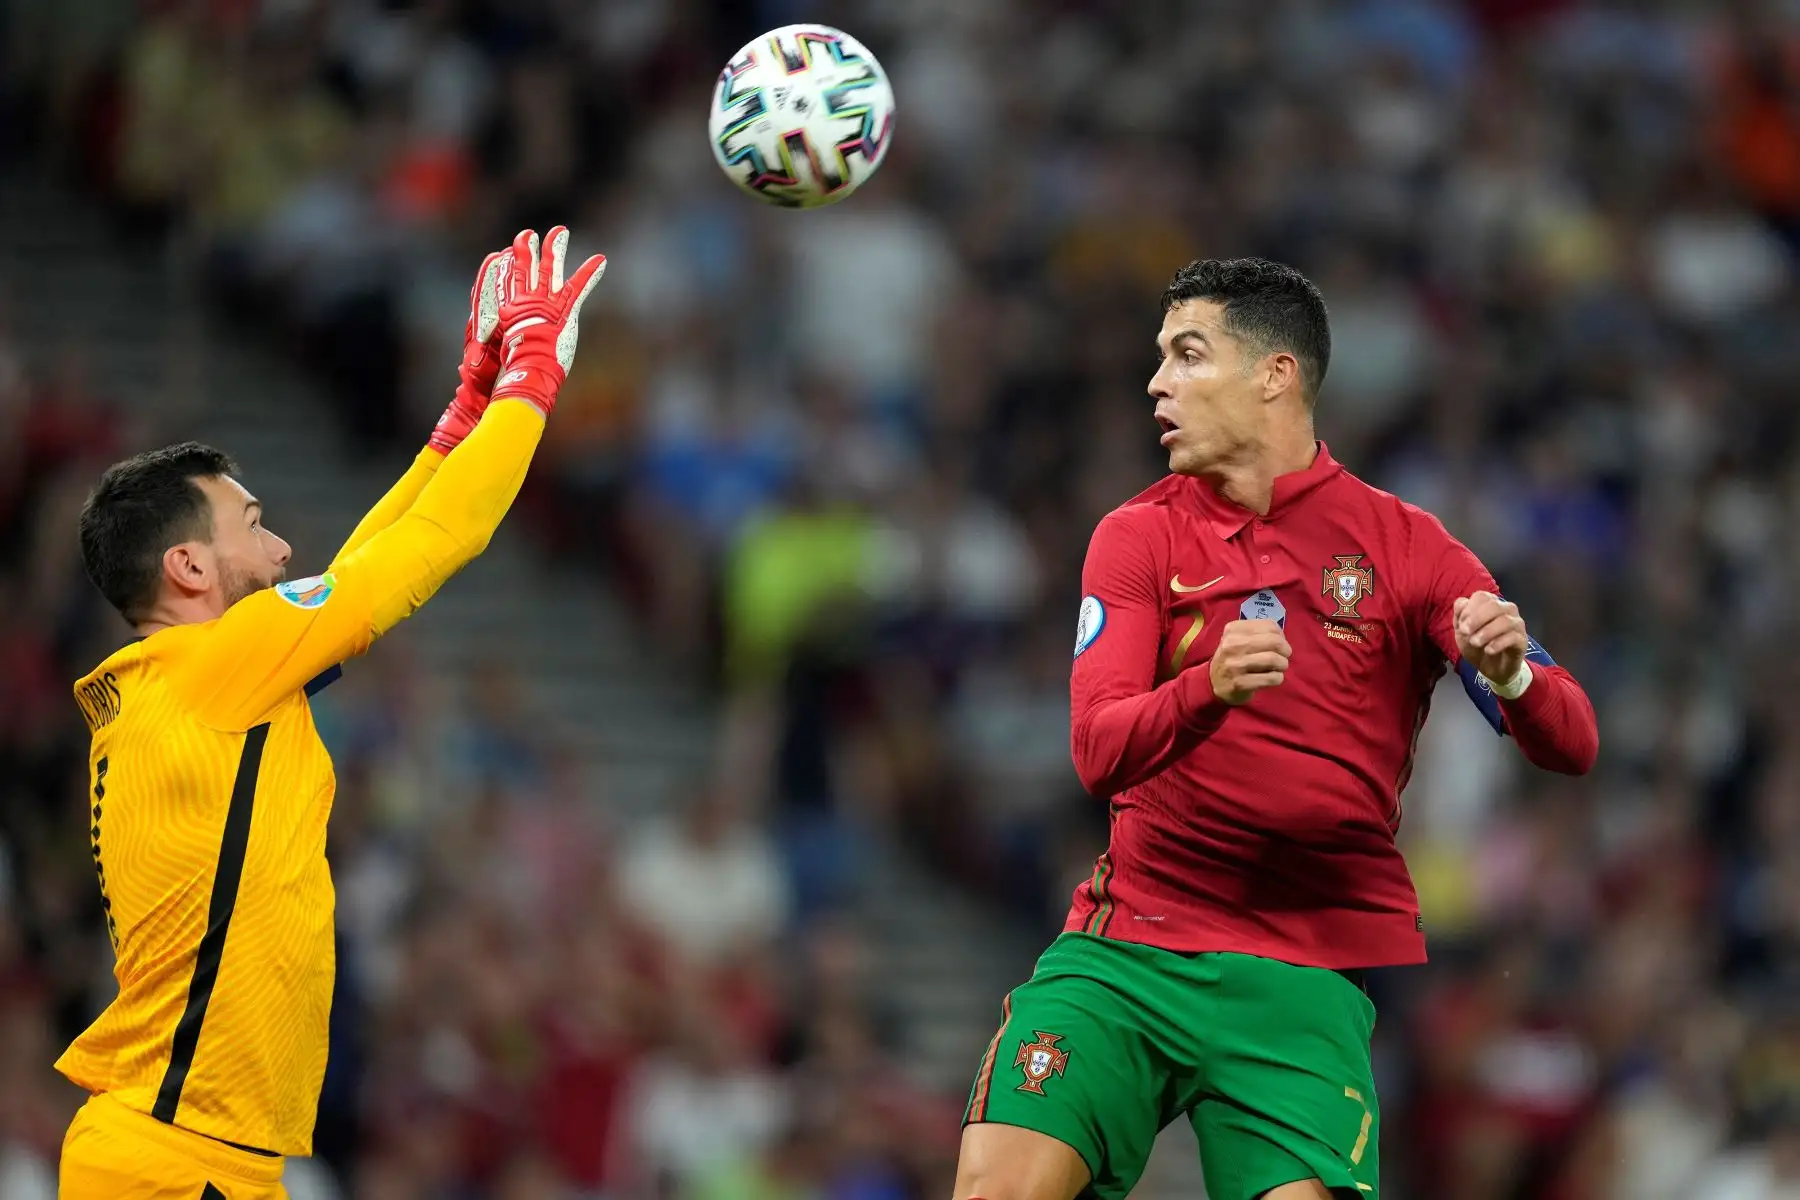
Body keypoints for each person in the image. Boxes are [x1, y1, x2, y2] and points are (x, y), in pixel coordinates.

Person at [954, 258, 1600, 1200]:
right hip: (1133, 944)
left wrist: (1509, 675)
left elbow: (1574, 741)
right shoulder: (1136, 536)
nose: (1157, 383)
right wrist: (1205, 689)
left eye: (1187, 355)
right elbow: (1096, 750)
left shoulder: (1408, 547)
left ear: (1274, 376)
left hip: (1303, 969)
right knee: (998, 1189)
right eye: (1160, 359)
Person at [54, 227, 606, 1199]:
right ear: (187, 568)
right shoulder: (218, 665)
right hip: (178, 1160)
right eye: (255, 527)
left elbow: (361, 571)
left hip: (194, 1155)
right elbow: (442, 540)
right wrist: (531, 382)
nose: (282, 552)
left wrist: (464, 411)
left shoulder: (197, 676)